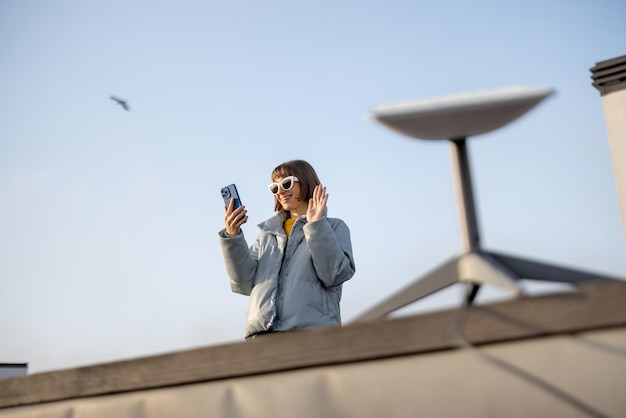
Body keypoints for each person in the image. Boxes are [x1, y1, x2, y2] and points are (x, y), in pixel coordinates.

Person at [218, 160, 355, 339]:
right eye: (275, 188)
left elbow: (334, 274)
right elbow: (243, 283)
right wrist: (233, 236)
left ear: (305, 182)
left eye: (286, 183)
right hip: (261, 337)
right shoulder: (267, 235)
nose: (280, 191)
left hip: (312, 334)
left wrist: (316, 225)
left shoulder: (334, 227)